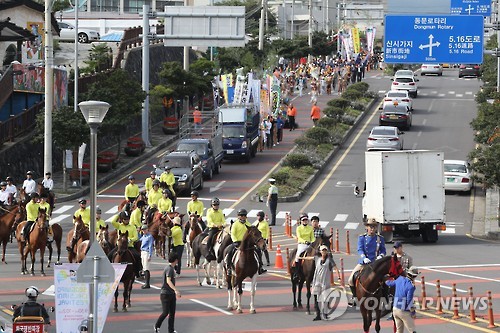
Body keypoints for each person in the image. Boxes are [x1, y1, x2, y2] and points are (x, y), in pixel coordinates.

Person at [348, 218, 387, 306]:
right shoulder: (362, 238)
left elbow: (383, 250)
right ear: (367, 227)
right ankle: (354, 297)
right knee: (350, 279)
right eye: (370, 227)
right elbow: (360, 249)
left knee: (386, 280)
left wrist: (381, 256)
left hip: (376, 263)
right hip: (364, 262)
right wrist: (364, 258)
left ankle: (386, 298)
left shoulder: (380, 238)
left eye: (374, 227)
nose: (372, 229)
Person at [302, 245, 340, 321]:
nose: (324, 252)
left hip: (325, 282)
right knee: (317, 299)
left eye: (325, 250)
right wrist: (300, 258)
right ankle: (318, 314)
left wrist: (339, 277)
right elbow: (309, 258)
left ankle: (325, 314)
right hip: (317, 282)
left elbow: (335, 267)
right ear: (320, 251)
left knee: (325, 299)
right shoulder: (317, 258)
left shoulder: (329, 260)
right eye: (322, 250)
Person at [226, 208, 266, 275]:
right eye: (241, 215)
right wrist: (235, 241)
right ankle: (229, 267)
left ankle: (260, 267)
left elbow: (252, 234)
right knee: (230, 251)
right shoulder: (235, 224)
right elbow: (232, 234)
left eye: (244, 215)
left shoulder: (248, 224)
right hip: (237, 242)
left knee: (258, 251)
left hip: (247, 243)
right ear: (238, 216)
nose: (243, 217)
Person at [385, 266, 420, 333]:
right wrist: (413, 312)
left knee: (399, 330)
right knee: (412, 330)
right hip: (404, 311)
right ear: (414, 276)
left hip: (395, 309)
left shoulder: (400, 279)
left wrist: (385, 279)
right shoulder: (411, 286)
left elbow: (389, 283)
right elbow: (409, 300)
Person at [154, 252, 181, 333]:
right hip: (165, 294)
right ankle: (157, 326)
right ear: (176, 260)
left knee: (172, 313)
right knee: (165, 312)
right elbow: (168, 281)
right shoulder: (169, 269)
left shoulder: (171, 268)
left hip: (171, 294)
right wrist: (176, 290)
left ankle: (171, 330)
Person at [110, 211, 142, 278]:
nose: (126, 220)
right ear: (122, 219)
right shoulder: (119, 225)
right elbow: (112, 221)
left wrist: (131, 239)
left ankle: (137, 271)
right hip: (119, 247)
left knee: (137, 256)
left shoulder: (132, 227)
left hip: (129, 247)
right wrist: (119, 215)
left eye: (127, 219)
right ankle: (108, 271)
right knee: (109, 255)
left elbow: (136, 237)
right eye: (125, 219)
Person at [140, 224, 154, 289]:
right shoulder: (144, 236)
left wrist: (150, 255)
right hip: (142, 252)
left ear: (147, 229)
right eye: (143, 230)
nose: (144, 231)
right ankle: (146, 283)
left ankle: (147, 283)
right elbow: (139, 240)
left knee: (146, 268)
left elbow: (150, 246)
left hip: (146, 252)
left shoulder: (149, 237)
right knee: (144, 267)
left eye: (145, 229)